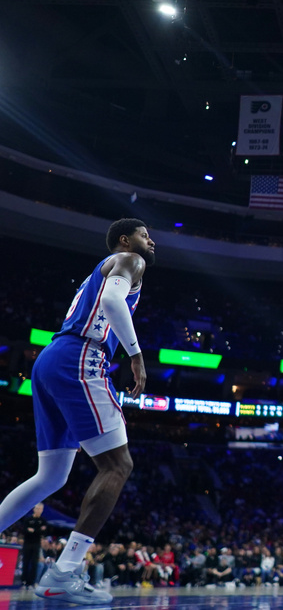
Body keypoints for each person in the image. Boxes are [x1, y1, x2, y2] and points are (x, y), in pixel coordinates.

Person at [0, 218, 152, 604]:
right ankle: (64, 572)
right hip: (80, 358)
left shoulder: (101, 270)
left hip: (51, 359)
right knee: (118, 466)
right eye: (144, 234)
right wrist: (135, 356)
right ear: (124, 239)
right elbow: (113, 302)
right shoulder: (130, 260)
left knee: (51, 476)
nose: (150, 241)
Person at [21, 504, 47, 587]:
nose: (39, 510)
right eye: (37, 508)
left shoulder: (43, 520)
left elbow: (44, 532)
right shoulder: (28, 519)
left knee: (34, 563)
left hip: (36, 544)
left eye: (40, 509)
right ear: (34, 509)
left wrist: (33, 530)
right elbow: (25, 531)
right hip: (27, 544)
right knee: (26, 562)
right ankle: (24, 581)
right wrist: (38, 530)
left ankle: (32, 582)